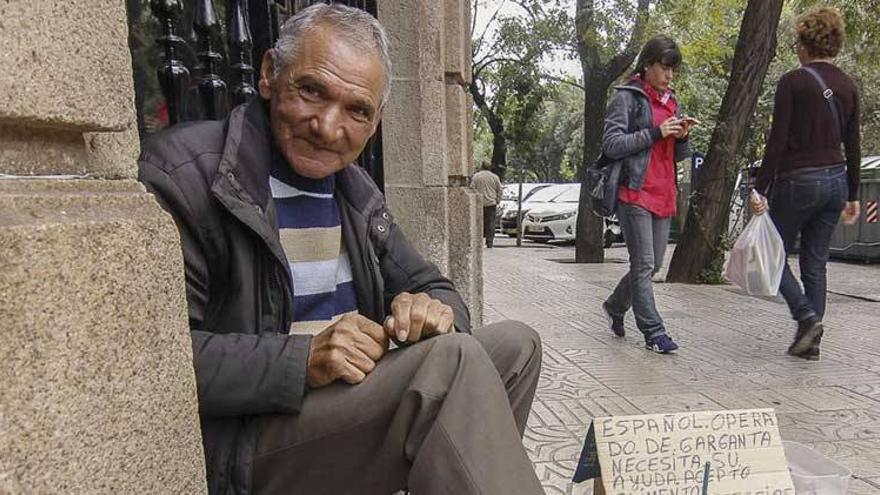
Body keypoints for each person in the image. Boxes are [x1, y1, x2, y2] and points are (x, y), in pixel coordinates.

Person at [138, 4, 543, 494]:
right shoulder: (188, 175)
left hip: (342, 408)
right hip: (248, 439)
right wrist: (302, 359)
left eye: (356, 110)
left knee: (515, 346)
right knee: (450, 366)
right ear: (270, 75)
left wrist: (432, 311)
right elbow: (155, 361)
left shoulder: (355, 192)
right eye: (311, 91)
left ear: (376, 122)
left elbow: (432, 285)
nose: (329, 128)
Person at [752, 7, 861, 361]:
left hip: (798, 180)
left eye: (797, 41)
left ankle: (805, 316)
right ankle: (810, 343)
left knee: (771, 253)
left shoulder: (793, 82)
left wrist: (761, 187)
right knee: (815, 263)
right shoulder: (847, 85)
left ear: (806, 43)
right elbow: (854, 143)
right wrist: (853, 194)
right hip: (835, 182)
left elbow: (778, 140)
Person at [600, 35, 693, 354]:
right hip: (634, 191)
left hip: (664, 192)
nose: (669, 76)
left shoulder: (672, 101)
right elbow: (611, 145)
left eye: (672, 70)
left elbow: (678, 154)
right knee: (643, 264)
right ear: (648, 65)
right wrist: (655, 132)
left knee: (651, 267)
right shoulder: (627, 97)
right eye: (664, 68)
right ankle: (653, 331)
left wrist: (682, 136)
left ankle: (615, 305)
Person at [471, 161, 504, 248]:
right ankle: (489, 242)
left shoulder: (476, 176)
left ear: (481, 166)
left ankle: (478, 241)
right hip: (491, 203)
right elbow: (500, 190)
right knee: (490, 223)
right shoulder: (495, 177)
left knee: (478, 222)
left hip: (479, 203)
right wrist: (498, 200)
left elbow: (472, 188)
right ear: (490, 168)